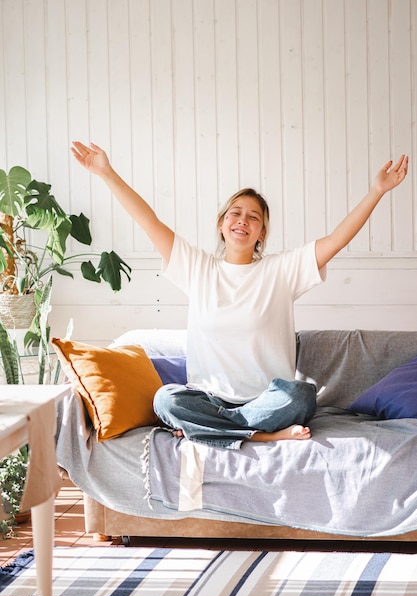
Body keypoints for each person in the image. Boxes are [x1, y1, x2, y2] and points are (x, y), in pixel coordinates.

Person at [71, 142, 408, 449]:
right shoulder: (197, 268)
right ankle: (262, 436)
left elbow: (336, 240)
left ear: (261, 233)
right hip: (209, 399)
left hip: (268, 400)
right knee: (166, 400)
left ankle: (210, 431)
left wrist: (377, 191)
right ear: (221, 223)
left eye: (253, 217)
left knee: (301, 396)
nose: (242, 221)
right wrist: (106, 173)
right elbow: (148, 221)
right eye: (235, 213)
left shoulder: (281, 270)